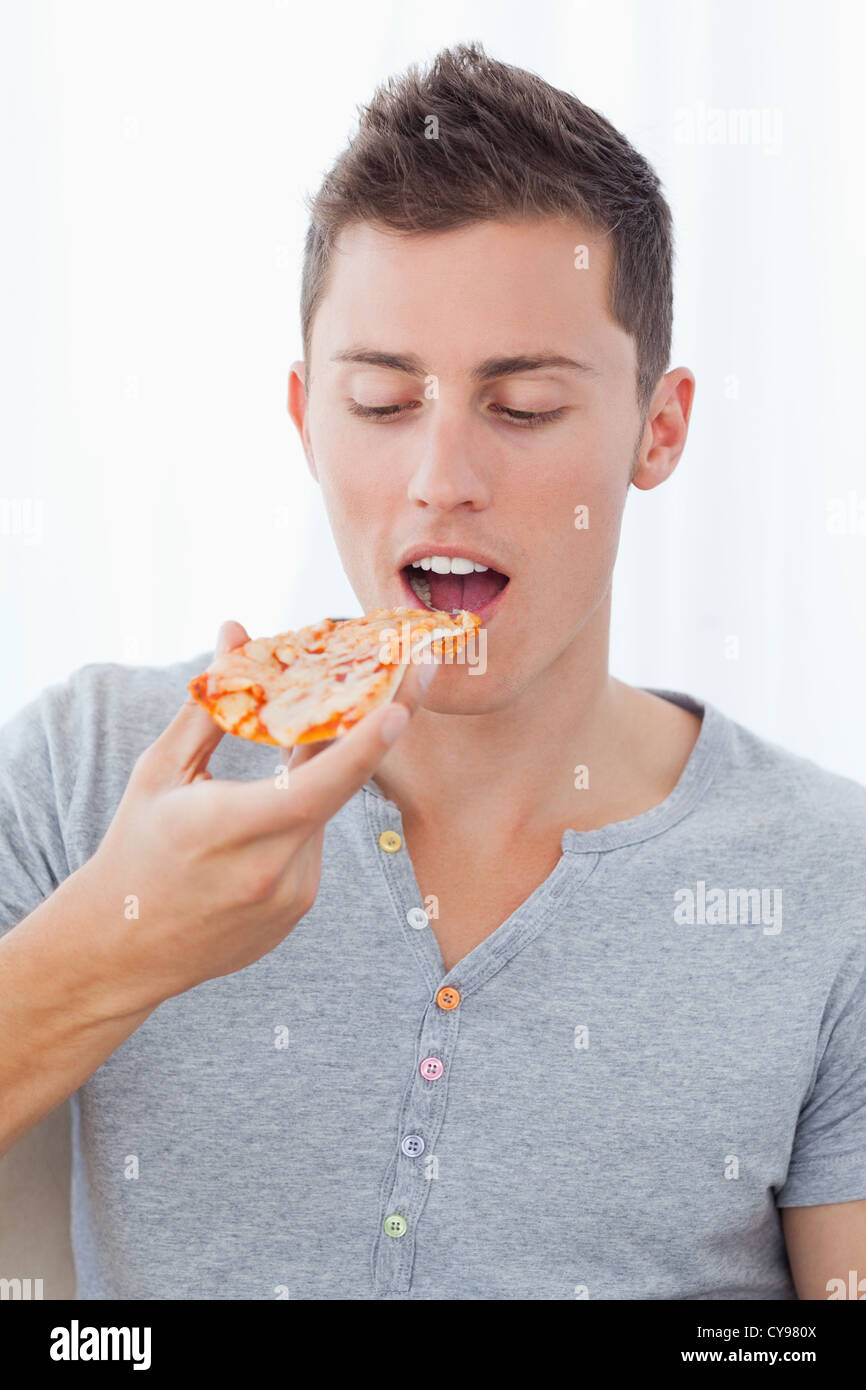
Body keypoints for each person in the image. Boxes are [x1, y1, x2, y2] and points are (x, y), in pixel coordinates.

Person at [1, 42, 864, 1302]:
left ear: (657, 428)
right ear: (303, 417)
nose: (440, 477)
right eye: (379, 401)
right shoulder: (91, 770)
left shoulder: (824, 881)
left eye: (519, 408)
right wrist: (117, 942)